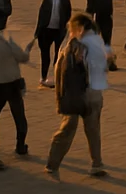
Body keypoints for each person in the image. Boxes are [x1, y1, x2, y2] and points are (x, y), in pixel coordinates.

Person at [45, 14, 109, 179]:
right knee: (83, 128)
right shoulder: (72, 47)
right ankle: (94, 164)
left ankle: (94, 163)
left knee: (78, 129)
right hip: (82, 95)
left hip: (83, 95)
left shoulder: (83, 45)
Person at [0, 23, 31, 172]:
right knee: (19, 117)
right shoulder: (8, 41)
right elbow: (23, 57)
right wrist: (28, 48)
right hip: (12, 85)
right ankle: (20, 146)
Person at [33, 0, 72, 88]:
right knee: (46, 55)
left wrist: (66, 27)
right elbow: (41, 16)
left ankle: (55, 77)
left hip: (58, 30)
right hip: (46, 30)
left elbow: (68, 14)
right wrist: (38, 32)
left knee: (57, 55)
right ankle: (45, 77)